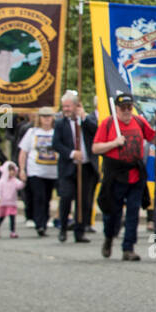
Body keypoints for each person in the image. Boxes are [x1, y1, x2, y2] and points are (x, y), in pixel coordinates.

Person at [93, 94, 155, 261]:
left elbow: (153, 136)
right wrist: (113, 143)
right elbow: (96, 148)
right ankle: (109, 236)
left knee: (133, 212)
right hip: (115, 174)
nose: (127, 111)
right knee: (113, 212)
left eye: (130, 107)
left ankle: (128, 247)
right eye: (124, 108)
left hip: (136, 173)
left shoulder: (139, 122)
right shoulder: (108, 124)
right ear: (117, 108)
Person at [54, 91, 98, 243]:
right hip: (68, 167)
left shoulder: (86, 120)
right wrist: (72, 153)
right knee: (66, 197)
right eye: (64, 106)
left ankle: (80, 231)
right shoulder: (60, 123)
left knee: (84, 200)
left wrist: (84, 118)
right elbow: (56, 144)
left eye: (68, 106)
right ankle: (63, 228)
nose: (65, 109)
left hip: (86, 167)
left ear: (76, 106)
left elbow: (96, 131)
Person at [18, 106, 60, 238]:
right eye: (44, 117)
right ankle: (39, 223)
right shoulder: (32, 132)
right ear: (39, 118)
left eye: (49, 117)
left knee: (47, 197)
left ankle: (44, 220)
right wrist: (22, 169)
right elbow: (23, 152)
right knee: (39, 196)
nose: (46, 120)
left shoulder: (56, 132)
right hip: (35, 170)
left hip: (52, 171)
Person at [0, 161, 26, 238]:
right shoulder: (1, 182)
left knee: (12, 217)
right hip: (3, 202)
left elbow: (19, 186)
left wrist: (23, 181)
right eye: (10, 170)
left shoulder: (14, 181)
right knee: (1, 217)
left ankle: (12, 231)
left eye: (13, 170)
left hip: (12, 202)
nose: (12, 172)